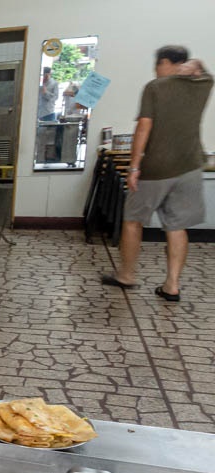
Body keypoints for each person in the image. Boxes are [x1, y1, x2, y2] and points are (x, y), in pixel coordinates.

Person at [102, 46, 212, 302]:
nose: (155, 70)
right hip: (190, 167)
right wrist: (195, 63)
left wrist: (134, 167)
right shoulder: (202, 85)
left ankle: (126, 275)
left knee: (132, 220)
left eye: (157, 64)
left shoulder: (155, 87)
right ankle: (172, 285)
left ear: (165, 62)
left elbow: (143, 127)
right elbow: (207, 72)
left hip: (155, 168)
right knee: (176, 226)